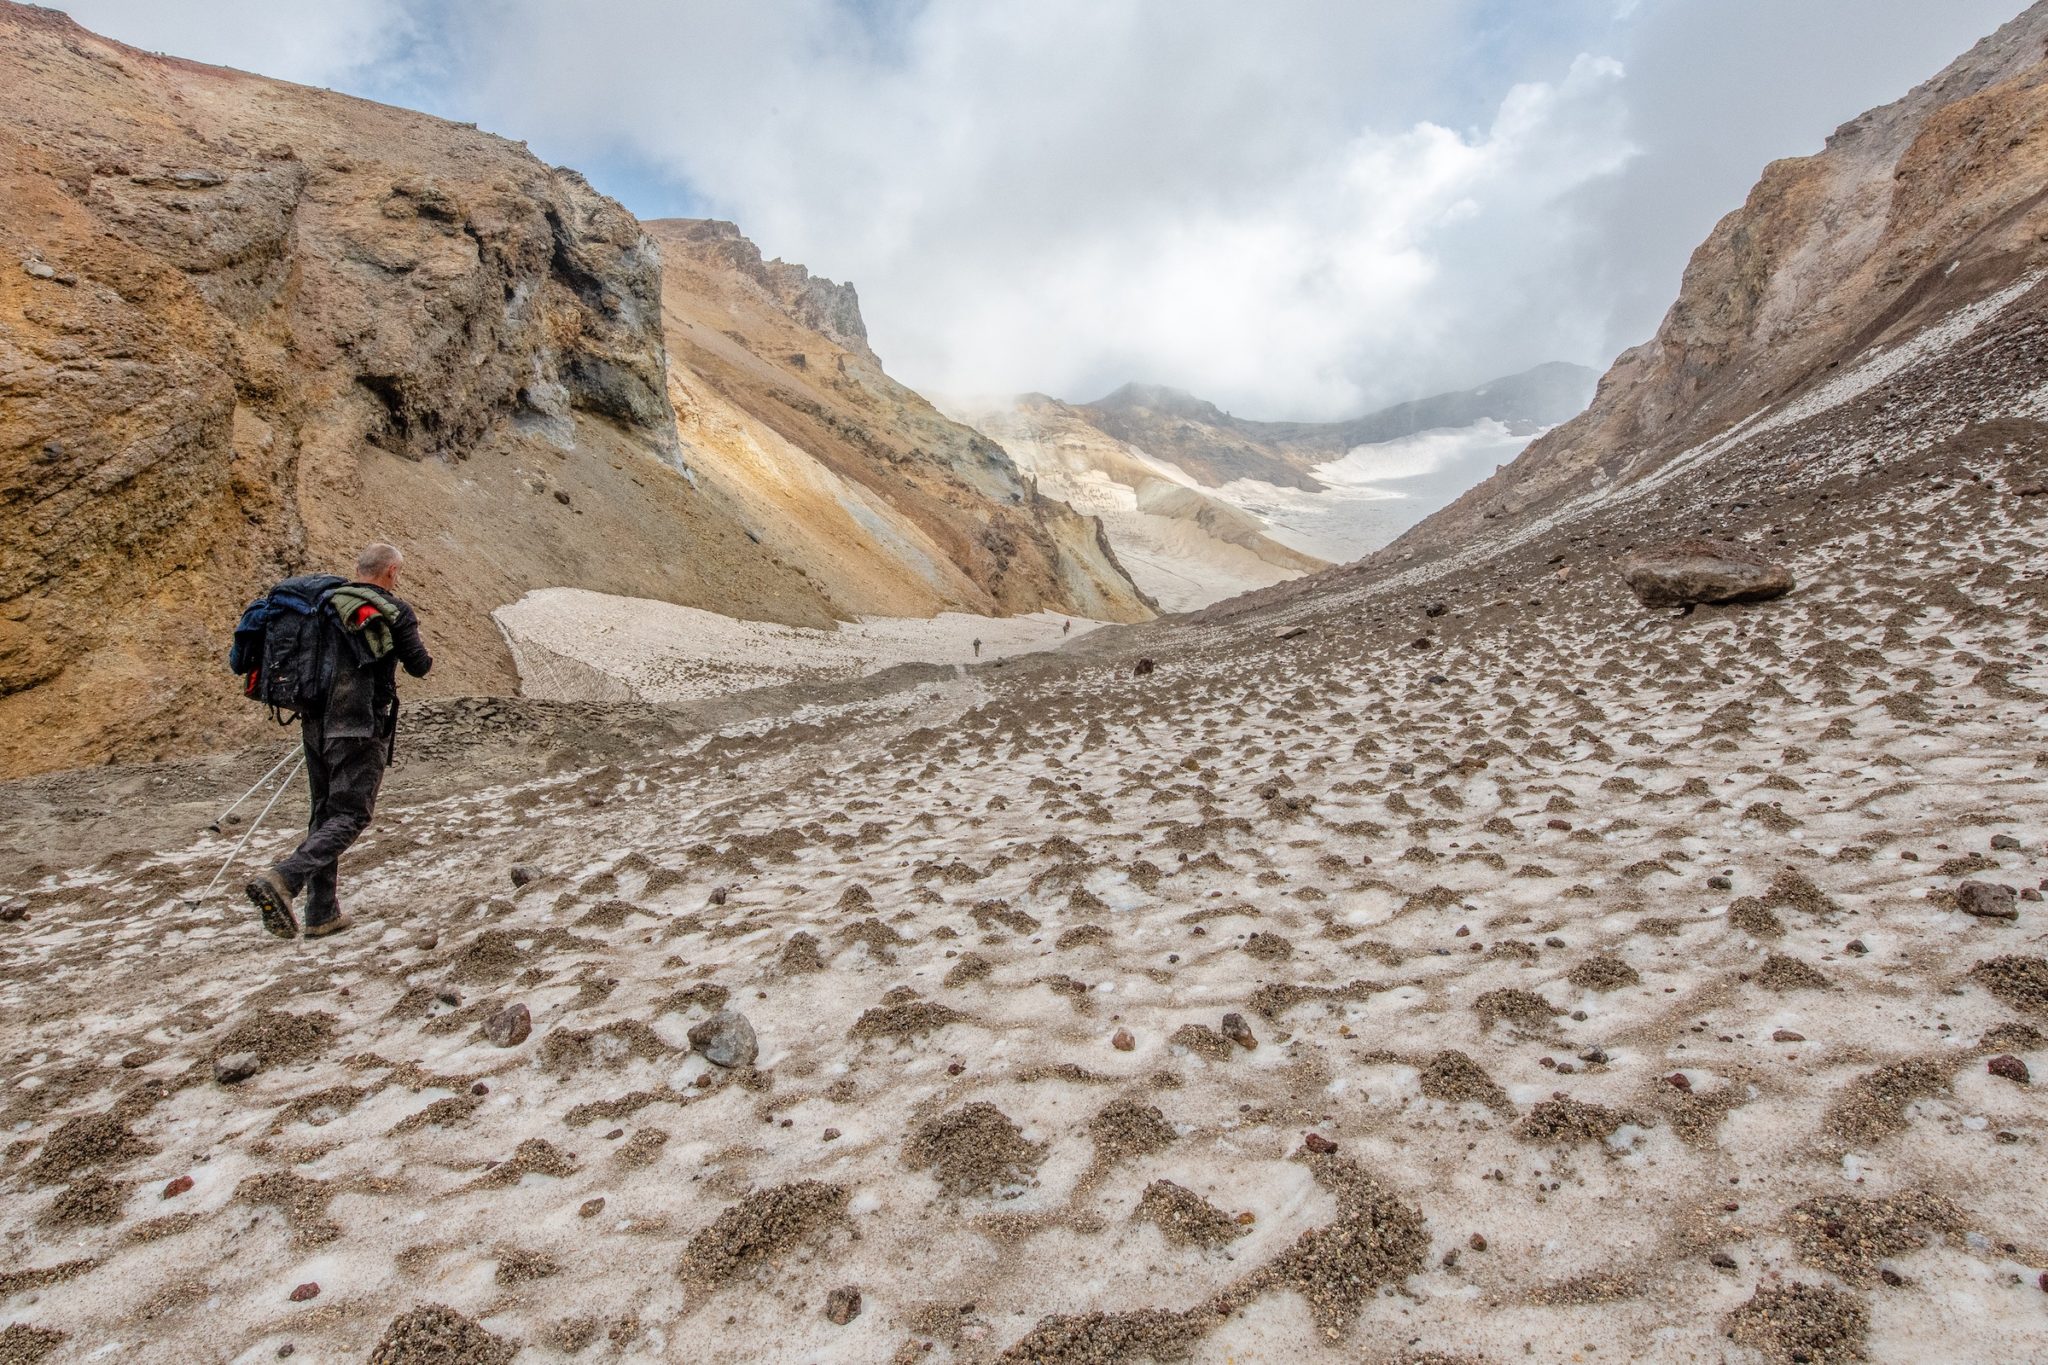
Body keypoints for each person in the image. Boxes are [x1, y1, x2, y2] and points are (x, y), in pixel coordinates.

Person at [245, 542, 432, 939]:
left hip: (314, 720)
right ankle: (284, 878)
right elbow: (419, 666)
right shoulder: (389, 609)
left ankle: (322, 912)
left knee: (324, 812)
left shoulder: (322, 606)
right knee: (351, 815)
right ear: (392, 573)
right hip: (359, 723)